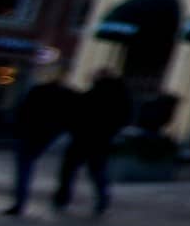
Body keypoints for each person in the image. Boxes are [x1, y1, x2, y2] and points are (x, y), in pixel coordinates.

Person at [55, 68, 134, 214]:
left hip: (86, 137)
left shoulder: (100, 94)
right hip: (99, 139)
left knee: (72, 169)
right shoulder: (118, 95)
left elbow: (81, 109)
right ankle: (101, 198)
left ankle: (64, 198)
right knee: (96, 171)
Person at [2, 68, 77, 216]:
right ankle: (24, 201)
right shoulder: (68, 95)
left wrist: (19, 128)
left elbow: (24, 111)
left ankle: (20, 202)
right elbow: (70, 117)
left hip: (32, 132)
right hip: (46, 135)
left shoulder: (39, 90)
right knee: (27, 164)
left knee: (24, 166)